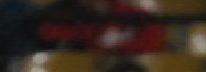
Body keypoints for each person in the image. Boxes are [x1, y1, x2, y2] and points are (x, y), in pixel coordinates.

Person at [36, 0, 165, 55]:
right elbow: (47, 32)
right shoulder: (74, 17)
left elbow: (154, 39)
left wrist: (115, 51)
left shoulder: (131, 14)